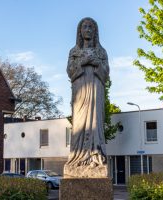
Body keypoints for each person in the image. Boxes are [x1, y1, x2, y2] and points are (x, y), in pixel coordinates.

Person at [65, 17, 109, 176]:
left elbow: (106, 75)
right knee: (79, 123)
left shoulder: (101, 52)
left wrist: (97, 63)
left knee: (95, 121)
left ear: (95, 31)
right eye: (85, 26)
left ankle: (94, 155)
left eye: (91, 27)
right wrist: (83, 62)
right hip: (80, 91)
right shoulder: (74, 52)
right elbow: (70, 72)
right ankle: (78, 156)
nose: (88, 29)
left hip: (96, 91)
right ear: (80, 31)